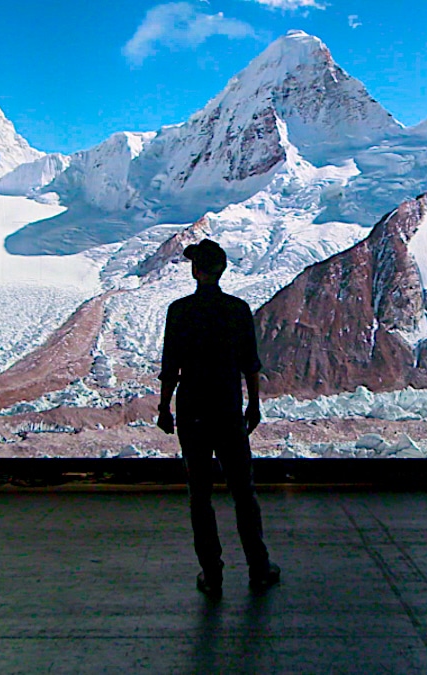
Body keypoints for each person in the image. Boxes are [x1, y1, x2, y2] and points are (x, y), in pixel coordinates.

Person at [157, 238, 281, 598]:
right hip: (228, 410)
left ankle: (212, 574)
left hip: (193, 411)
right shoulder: (238, 309)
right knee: (244, 491)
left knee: (200, 495)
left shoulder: (179, 311)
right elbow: (250, 364)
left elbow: (171, 367)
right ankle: (259, 568)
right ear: (222, 270)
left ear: (196, 271)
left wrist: (165, 408)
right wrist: (253, 405)